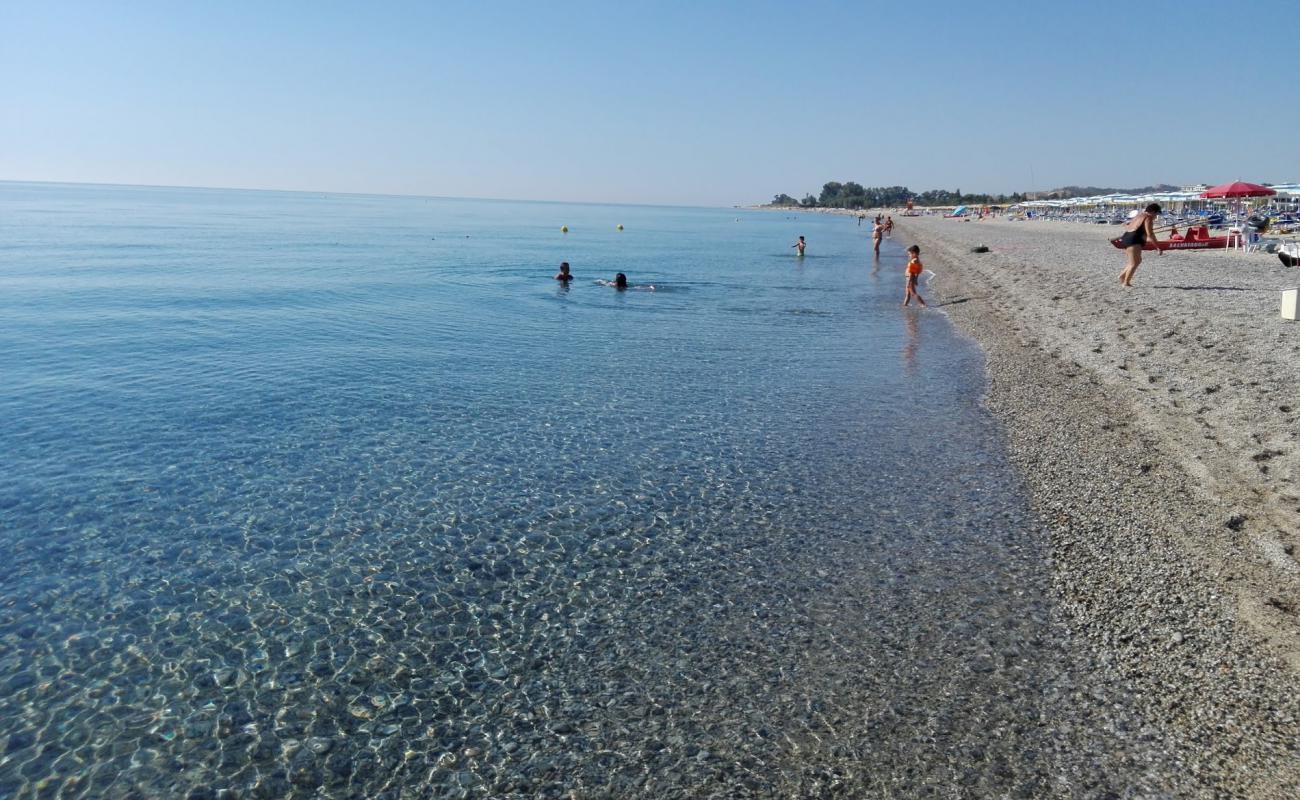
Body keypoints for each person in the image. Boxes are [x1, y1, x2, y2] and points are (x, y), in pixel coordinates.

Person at [1118, 203, 1162, 287]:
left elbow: (1128, 226)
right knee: (1134, 263)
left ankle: (1122, 276)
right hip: (1134, 240)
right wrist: (1158, 247)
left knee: (1136, 261)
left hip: (1126, 238)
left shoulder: (1139, 215)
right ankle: (1126, 282)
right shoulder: (1148, 218)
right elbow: (1150, 234)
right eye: (1156, 213)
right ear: (1152, 212)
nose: (1156, 216)